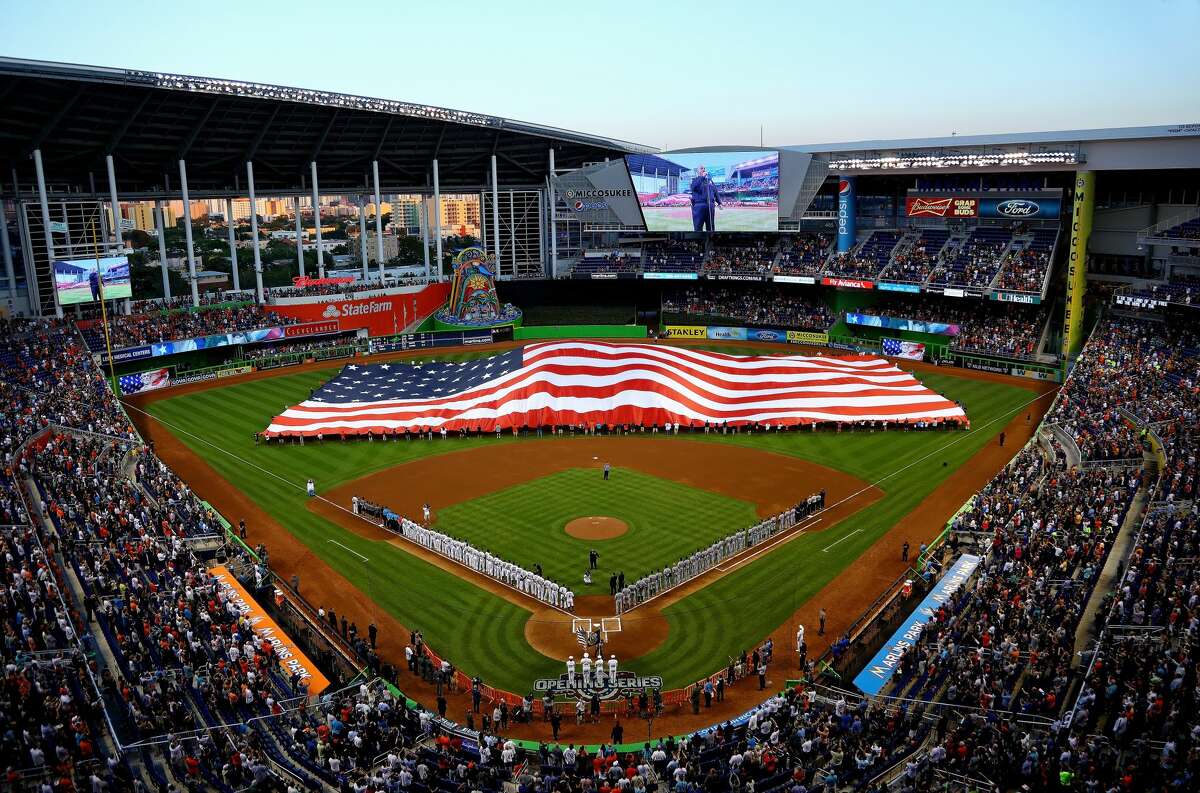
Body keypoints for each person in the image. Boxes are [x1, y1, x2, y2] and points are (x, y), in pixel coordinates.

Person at [689, 165, 722, 232]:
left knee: (711, 228)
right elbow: (694, 187)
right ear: (697, 171)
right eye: (701, 168)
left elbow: (715, 191)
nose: (703, 169)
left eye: (704, 168)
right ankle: (698, 241)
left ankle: (711, 241)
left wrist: (719, 202)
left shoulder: (710, 181)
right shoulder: (695, 180)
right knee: (698, 227)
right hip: (699, 206)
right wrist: (702, 177)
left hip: (710, 206)